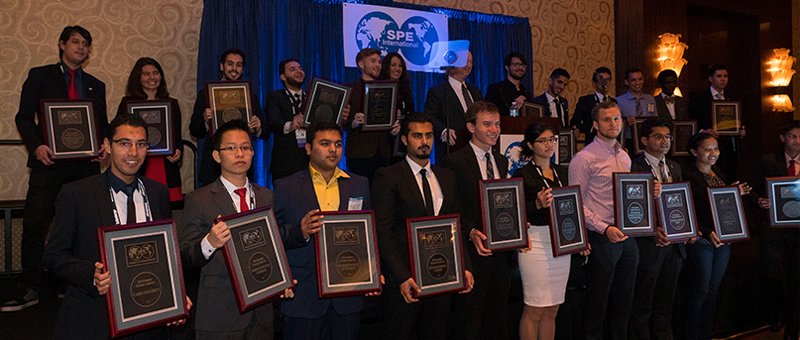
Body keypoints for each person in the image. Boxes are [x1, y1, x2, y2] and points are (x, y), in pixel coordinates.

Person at [42, 114, 185, 338]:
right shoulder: (77, 194)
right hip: (94, 318)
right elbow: (53, 256)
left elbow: (165, 254)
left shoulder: (158, 193)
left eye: (141, 144)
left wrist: (175, 296)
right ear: (108, 146)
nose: (133, 153)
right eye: (124, 143)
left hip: (149, 317)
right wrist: (91, 275)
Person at [6, 25, 108, 312]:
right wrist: (36, 145)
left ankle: (74, 281)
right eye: (75, 42)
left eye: (86, 44)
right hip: (48, 165)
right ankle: (31, 286)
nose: (81, 47)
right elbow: (23, 117)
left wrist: (103, 144)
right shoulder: (40, 76)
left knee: (84, 225)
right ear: (62, 44)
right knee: (35, 224)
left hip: (85, 167)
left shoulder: (96, 84)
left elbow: (102, 124)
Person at [180, 120, 289, 339]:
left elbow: (274, 246)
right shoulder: (198, 200)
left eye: (246, 147)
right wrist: (209, 242)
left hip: (262, 313)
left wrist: (282, 280)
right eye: (231, 148)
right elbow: (185, 256)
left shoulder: (266, 196)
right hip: (220, 314)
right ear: (216, 156)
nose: (240, 154)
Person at [372, 112, 474, 339]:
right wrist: (401, 277)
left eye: (429, 135)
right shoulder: (388, 176)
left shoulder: (447, 176)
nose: (425, 141)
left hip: (442, 278)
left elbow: (456, 226)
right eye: (417, 136)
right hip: (405, 281)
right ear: (405, 139)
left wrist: (464, 266)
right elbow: (383, 232)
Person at [274, 121, 377, 339]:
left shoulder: (359, 184)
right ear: (308, 148)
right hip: (304, 296)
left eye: (338, 144)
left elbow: (368, 236)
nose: (333, 149)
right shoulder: (286, 186)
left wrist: (373, 273)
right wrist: (300, 231)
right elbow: (274, 238)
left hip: (347, 295)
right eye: (325, 144)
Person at [568, 101, 660, 339]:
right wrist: (604, 228)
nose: (613, 123)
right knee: (598, 303)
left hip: (626, 235)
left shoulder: (624, 156)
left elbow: (629, 195)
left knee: (624, 302)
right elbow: (575, 203)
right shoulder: (583, 158)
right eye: (607, 119)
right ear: (595, 124)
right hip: (601, 236)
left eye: (617, 118)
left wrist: (649, 191)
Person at [440, 101, 510, 340]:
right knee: (469, 320)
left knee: (498, 317)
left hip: (501, 252)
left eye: (497, 124)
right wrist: (469, 231)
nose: (494, 130)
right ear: (471, 127)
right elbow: (450, 208)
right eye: (487, 124)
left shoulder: (501, 161)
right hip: (471, 252)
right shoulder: (454, 162)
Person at [515, 121, 589, 340]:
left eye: (552, 139)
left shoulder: (562, 172)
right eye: (542, 141)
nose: (549, 145)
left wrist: (580, 238)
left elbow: (573, 209)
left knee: (553, 308)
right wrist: (536, 205)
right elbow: (513, 213)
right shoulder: (522, 174)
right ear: (530, 144)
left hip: (562, 242)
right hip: (535, 242)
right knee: (534, 309)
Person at [682, 131, 751, 340]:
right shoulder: (688, 175)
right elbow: (690, 209)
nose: (713, 153)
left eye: (716, 149)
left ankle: (706, 334)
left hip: (724, 240)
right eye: (707, 149)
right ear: (694, 152)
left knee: (713, 290)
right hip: (702, 240)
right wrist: (706, 230)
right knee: (700, 290)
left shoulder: (719, 173)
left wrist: (736, 193)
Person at [629, 118, 686, 340]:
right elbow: (632, 207)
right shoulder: (633, 166)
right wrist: (652, 230)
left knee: (666, 301)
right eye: (659, 137)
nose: (665, 141)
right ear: (644, 140)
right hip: (648, 244)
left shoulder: (675, 166)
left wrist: (686, 229)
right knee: (643, 303)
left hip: (674, 245)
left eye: (668, 137)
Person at [750, 122, 800, 340]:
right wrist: (759, 200)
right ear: (782, 138)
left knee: (797, 279)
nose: (797, 141)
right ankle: (780, 310)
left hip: (799, 231)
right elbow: (751, 190)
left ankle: (792, 328)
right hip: (774, 230)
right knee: (771, 274)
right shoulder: (768, 161)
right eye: (792, 136)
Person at [189, 48, 265, 187]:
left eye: (239, 65)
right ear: (221, 66)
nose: (234, 69)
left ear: (242, 69)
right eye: (230, 64)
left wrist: (258, 126)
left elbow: (265, 132)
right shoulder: (206, 94)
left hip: (242, 166)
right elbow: (194, 130)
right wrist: (206, 121)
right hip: (213, 167)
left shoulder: (250, 96)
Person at [116, 57, 184, 202]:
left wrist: (178, 151)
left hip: (165, 165)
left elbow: (177, 136)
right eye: (146, 74)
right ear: (138, 78)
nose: (152, 77)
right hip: (138, 161)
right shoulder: (127, 104)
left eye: (155, 73)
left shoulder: (172, 104)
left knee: (165, 206)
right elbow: (117, 132)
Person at [346, 48, 400, 181]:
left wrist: (394, 130)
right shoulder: (351, 89)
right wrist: (354, 122)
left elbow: (389, 120)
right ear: (361, 64)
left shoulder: (388, 89)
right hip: (359, 153)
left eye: (379, 62)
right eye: (373, 61)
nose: (378, 65)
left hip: (383, 153)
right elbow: (341, 122)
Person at [688, 65, 744, 181]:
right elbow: (693, 120)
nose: (723, 79)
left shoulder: (733, 96)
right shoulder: (700, 97)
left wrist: (741, 130)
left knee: (730, 177)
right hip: (709, 146)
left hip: (730, 147)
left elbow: (740, 119)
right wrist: (704, 131)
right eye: (719, 76)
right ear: (710, 78)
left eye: (725, 76)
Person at [424, 51, 483, 160]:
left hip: (477, 150)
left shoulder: (475, 91)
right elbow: (429, 117)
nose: (469, 65)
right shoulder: (438, 92)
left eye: (471, 62)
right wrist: (443, 130)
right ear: (452, 63)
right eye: (465, 61)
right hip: (452, 150)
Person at [266, 58, 311, 180]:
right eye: (292, 69)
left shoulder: (312, 97)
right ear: (283, 77)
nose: (299, 71)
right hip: (284, 163)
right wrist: (290, 125)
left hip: (310, 161)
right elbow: (273, 121)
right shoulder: (275, 97)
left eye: (300, 68)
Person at [379, 52, 415, 162]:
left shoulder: (405, 89)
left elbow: (411, 114)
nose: (397, 69)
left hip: (402, 141)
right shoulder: (379, 88)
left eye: (400, 66)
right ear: (386, 67)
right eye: (393, 65)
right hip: (383, 142)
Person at [570, 66, 615, 145]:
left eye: (608, 79)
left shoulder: (614, 102)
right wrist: (592, 129)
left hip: (611, 144)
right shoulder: (585, 101)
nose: (605, 82)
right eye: (601, 79)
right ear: (594, 83)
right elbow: (574, 122)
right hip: (592, 143)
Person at [617, 67, 657, 145]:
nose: (637, 83)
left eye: (640, 79)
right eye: (633, 80)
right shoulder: (619, 101)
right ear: (626, 82)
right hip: (628, 141)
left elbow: (655, 119)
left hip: (648, 140)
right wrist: (625, 122)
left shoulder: (650, 99)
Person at [485, 52, 532, 116]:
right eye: (516, 64)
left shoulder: (526, 93)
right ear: (507, 67)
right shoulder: (495, 89)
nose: (520, 68)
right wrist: (514, 107)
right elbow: (488, 113)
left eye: (522, 65)